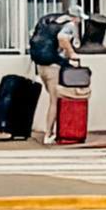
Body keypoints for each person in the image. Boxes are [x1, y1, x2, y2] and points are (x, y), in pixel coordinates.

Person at [35, 8, 82, 144]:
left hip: (41, 66)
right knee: (54, 102)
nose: (79, 22)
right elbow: (62, 40)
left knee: (54, 99)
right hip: (54, 67)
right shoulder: (69, 25)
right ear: (75, 17)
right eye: (79, 19)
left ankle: (56, 130)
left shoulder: (51, 22)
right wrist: (72, 53)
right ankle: (48, 134)